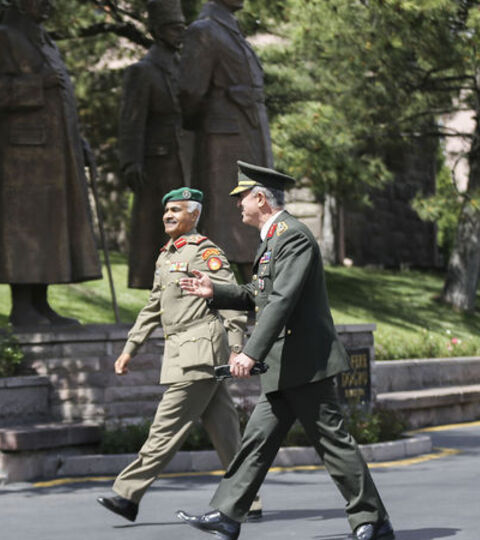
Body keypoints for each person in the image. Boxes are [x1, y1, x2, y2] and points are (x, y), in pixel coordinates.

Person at [175, 162, 394, 540]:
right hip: (286, 364)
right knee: (258, 440)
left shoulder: (292, 236)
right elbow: (258, 295)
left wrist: (250, 353)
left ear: (260, 197)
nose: (238, 204)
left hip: (305, 363)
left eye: (242, 197)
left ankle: (372, 520)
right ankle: (228, 515)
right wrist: (217, 290)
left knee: (333, 443)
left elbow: (281, 300)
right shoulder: (273, 239)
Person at [96, 187, 262, 523]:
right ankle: (249, 499)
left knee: (165, 428)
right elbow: (153, 306)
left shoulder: (205, 252)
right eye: (166, 210)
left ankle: (127, 494)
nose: (168, 215)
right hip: (185, 353)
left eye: (176, 210)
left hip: (201, 355)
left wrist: (235, 348)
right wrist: (131, 348)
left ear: (194, 215)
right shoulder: (167, 255)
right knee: (226, 432)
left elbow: (229, 299)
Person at [0, 0, 102, 326]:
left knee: (48, 227)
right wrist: (36, 84)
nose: (48, 4)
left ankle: (41, 304)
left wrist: (78, 142)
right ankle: (21, 306)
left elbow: (60, 101)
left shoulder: (46, 42)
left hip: (54, 155)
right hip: (22, 158)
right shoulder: (1, 37)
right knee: (25, 228)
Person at [179, 0, 275, 278]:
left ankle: (254, 284)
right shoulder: (204, 30)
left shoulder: (230, 30)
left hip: (248, 135)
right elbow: (189, 92)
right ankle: (224, 285)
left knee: (254, 206)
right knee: (228, 215)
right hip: (222, 142)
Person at [119, 0, 189, 289]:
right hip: (155, 165)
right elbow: (131, 121)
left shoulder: (181, 67)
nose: (180, 33)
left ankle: (183, 289)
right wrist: (130, 162)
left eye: (182, 28)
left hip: (181, 161)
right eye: (174, 28)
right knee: (156, 232)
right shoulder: (144, 71)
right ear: (159, 31)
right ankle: (160, 293)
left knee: (185, 230)